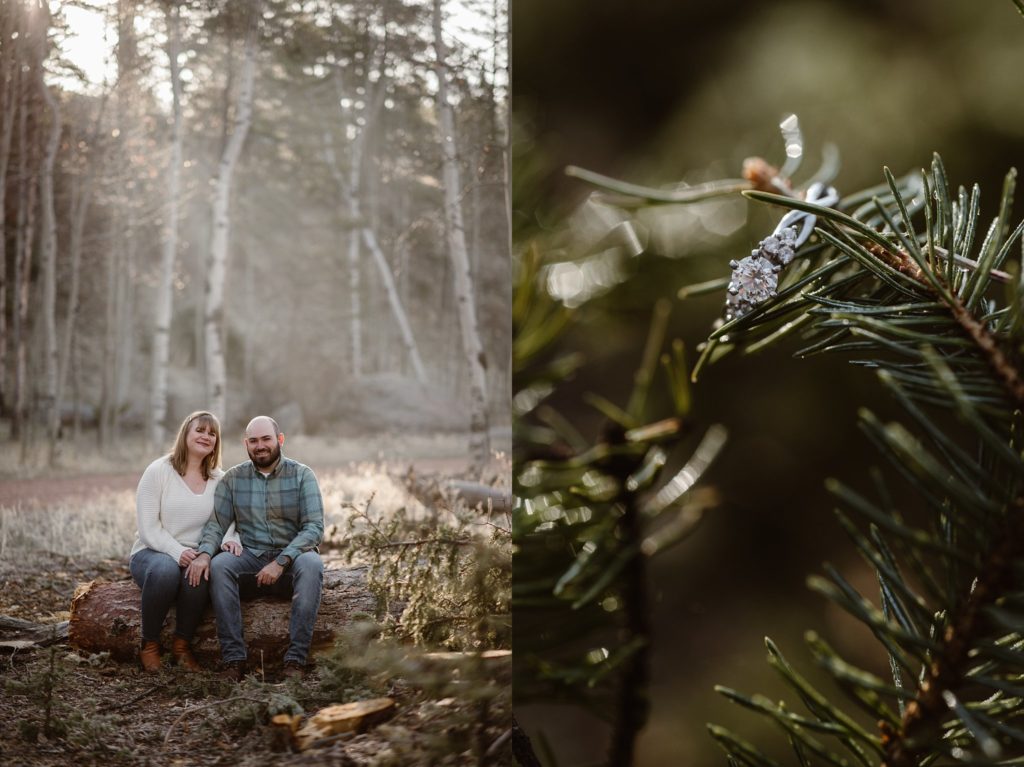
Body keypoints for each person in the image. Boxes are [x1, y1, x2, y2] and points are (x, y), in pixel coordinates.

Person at [187, 415, 324, 681]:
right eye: (253, 441)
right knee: (220, 565)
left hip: (292, 562)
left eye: (266, 439)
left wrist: (281, 561)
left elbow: (314, 528)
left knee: (312, 564)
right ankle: (233, 660)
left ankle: (295, 661)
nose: (260, 446)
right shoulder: (233, 479)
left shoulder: (302, 475)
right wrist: (203, 555)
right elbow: (216, 525)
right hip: (250, 560)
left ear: (280, 440)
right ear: (246, 444)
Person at [130, 410, 240, 672]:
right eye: (199, 430)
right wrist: (176, 551)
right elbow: (148, 528)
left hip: (196, 555)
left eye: (212, 433)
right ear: (185, 434)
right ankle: (149, 645)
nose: (206, 436)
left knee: (200, 574)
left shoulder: (220, 479)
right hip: (152, 551)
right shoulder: (158, 471)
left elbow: (230, 520)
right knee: (166, 570)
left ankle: (181, 647)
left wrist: (230, 539)